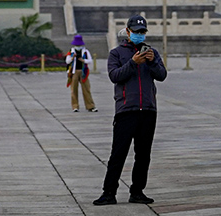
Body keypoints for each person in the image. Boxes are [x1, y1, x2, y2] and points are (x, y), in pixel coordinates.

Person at [94, 14, 167, 206]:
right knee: (118, 154)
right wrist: (133, 62)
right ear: (128, 32)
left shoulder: (152, 52)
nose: (140, 35)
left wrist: (151, 62)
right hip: (126, 110)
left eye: (143, 32)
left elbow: (162, 75)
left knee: (143, 155)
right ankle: (109, 192)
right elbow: (115, 76)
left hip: (148, 110)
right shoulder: (117, 53)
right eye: (136, 32)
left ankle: (137, 191)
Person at [65, 34, 97, 112]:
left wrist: (83, 60)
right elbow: (67, 61)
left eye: (79, 45)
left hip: (83, 72)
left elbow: (90, 61)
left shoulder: (85, 51)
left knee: (86, 89)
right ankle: (75, 106)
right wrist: (72, 58)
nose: (78, 46)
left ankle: (90, 106)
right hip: (74, 72)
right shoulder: (71, 51)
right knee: (74, 90)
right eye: (76, 45)